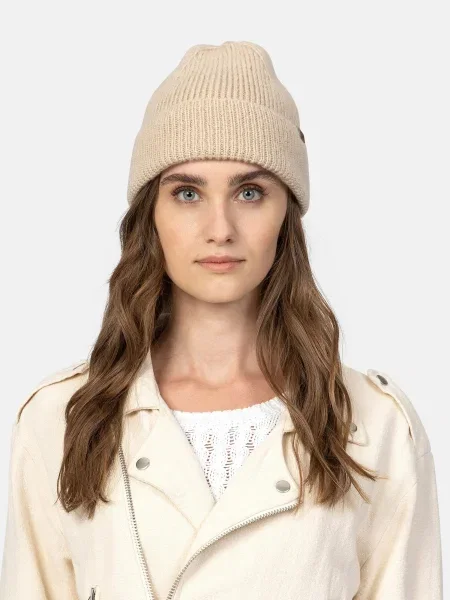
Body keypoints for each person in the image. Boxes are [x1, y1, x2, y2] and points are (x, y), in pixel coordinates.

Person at [0, 41, 443, 600]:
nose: (220, 229)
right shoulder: (64, 419)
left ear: (287, 213)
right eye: (187, 193)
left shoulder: (372, 426)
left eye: (250, 192)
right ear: (151, 214)